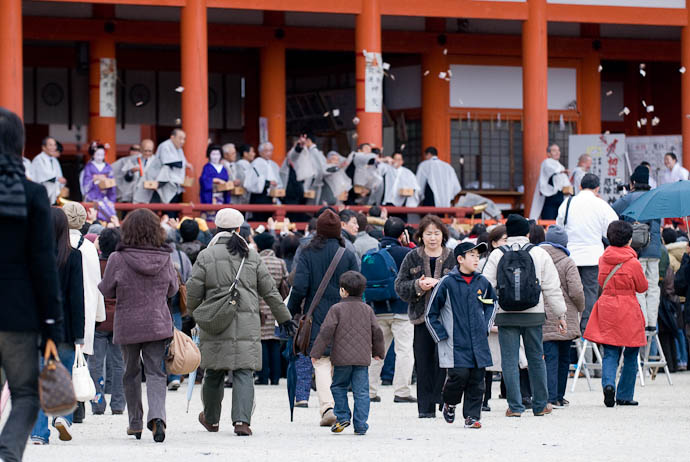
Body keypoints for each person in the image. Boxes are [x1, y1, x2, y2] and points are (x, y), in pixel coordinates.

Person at [187, 208, 294, 436]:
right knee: (244, 371)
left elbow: (193, 293)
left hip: (215, 322)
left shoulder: (206, 256)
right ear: (239, 229)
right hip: (246, 325)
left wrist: (194, 315)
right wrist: (284, 318)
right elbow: (271, 293)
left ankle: (212, 420)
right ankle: (242, 422)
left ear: (216, 229)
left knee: (214, 372)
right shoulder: (251, 256)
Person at [0, 107, 63, 460]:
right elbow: (44, 264)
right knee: (25, 393)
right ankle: (9, 453)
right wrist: (53, 324)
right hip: (18, 313)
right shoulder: (33, 193)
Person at [98, 209, 179, 443]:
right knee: (156, 372)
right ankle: (158, 419)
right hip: (157, 321)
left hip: (128, 323)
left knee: (130, 372)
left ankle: (135, 422)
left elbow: (107, 290)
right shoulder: (165, 258)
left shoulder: (117, 258)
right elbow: (173, 289)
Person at [482, 214, 567, 417]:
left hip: (506, 314)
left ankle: (515, 406)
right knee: (536, 358)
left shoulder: (497, 254)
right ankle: (540, 405)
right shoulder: (539, 253)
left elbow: (486, 285)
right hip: (533, 313)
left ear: (508, 233)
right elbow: (552, 287)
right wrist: (560, 314)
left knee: (509, 361)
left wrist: (485, 313)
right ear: (527, 233)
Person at [287, 209, 360, 427]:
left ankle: (327, 406)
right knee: (341, 360)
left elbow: (299, 287)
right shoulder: (346, 253)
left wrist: (290, 311)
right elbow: (357, 284)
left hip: (316, 313)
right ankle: (341, 407)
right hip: (345, 311)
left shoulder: (307, 252)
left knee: (320, 361)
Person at [29, 207, 85, 445]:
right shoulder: (73, 256)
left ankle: (39, 432)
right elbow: (77, 298)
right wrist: (80, 335)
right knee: (65, 377)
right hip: (65, 327)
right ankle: (63, 417)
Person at [426, 242, 496, 428]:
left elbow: (492, 303)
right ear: (460, 259)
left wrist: (486, 326)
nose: (476, 259)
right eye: (471, 255)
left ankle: (472, 417)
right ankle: (449, 403)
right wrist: (440, 335)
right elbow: (430, 313)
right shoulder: (447, 283)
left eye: (477, 255)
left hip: (478, 341)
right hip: (455, 342)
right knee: (459, 376)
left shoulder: (482, 282)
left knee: (477, 380)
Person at [395, 214, 456, 418]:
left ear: (443, 235)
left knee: (444, 362)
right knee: (423, 363)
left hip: (446, 319)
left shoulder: (452, 256)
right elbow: (399, 286)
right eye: (428, 233)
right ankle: (425, 408)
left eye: (436, 233)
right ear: (421, 235)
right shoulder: (412, 256)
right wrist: (418, 286)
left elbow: (463, 283)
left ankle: (442, 400)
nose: (432, 238)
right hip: (421, 318)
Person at [310, 271, 385, 435]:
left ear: (343, 290)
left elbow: (325, 332)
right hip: (362, 358)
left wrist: (316, 352)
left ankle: (343, 415)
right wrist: (378, 352)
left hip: (341, 359)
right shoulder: (367, 310)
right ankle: (361, 424)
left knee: (338, 386)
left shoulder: (336, 309)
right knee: (362, 391)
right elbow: (377, 332)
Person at [583, 221, 647, 407]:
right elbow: (642, 287)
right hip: (628, 306)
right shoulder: (633, 262)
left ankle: (609, 384)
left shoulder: (603, 258)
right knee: (631, 351)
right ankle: (625, 395)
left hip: (607, 305)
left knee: (610, 351)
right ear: (629, 239)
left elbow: (601, 280)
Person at [557, 173, 618, 332]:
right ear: (597, 188)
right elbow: (612, 230)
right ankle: (586, 329)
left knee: (569, 293)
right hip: (593, 256)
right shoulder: (601, 205)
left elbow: (559, 229)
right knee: (590, 292)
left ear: (580, 186)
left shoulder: (567, 203)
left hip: (570, 256)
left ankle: (570, 327)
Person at [368, 218, 416, 404]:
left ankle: (369, 390)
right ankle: (401, 391)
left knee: (377, 351)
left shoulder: (374, 254)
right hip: (402, 309)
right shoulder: (407, 253)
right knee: (404, 350)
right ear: (401, 234)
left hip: (378, 308)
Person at [539, 225, 585, 408]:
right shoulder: (568, 262)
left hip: (542, 313)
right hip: (565, 315)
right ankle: (558, 395)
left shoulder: (539, 258)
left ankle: (550, 396)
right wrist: (581, 308)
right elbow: (576, 291)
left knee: (549, 356)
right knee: (564, 357)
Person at [612, 166, 662, 330]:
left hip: (636, 251)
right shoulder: (655, 197)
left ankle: (643, 320)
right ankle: (652, 323)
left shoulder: (628, 198)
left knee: (639, 287)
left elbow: (611, 212)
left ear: (633, 182)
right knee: (653, 287)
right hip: (654, 249)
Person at [88, 228, 125, 416]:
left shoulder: (95, 262)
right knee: (120, 363)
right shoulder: (122, 263)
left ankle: (97, 402)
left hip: (99, 317)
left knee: (95, 363)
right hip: (119, 317)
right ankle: (118, 403)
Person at [254, 231, 289, 386]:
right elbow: (284, 283)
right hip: (276, 305)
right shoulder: (280, 262)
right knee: (274, 342)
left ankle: (263, 376)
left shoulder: (256, 261)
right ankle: (275, 377)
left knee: (262, 342)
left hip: (259, 305)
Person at [283, 131, 327, 205]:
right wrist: (299, 146)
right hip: (293, 188)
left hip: (303, 187)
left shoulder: (308, 154)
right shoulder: (294, 154)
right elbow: (295, 153)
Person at [530, 143, 571, 220]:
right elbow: (551, 170)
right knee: (549, 220)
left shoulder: (560, 166)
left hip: (560, 196)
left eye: (558, 150)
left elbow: (565, 182)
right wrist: (562, 171)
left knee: (559, 221)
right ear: (548, 153)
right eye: (554, 150)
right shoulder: (546, 162)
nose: (557, 152)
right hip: (549, 196)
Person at [245, 141, 283, 220]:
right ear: (260, 152)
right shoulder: (255, 164)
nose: (269, 153)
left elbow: (279, 181)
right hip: (259, 197)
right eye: (266, 151)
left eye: (270, 150)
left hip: (272, 197)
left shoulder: (274, 164)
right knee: (259, 220)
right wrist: (268, 183)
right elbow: (251, 183)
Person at [81, 142, 117, 218]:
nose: (100, 157)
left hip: (106, 197)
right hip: (93, 197)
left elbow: (112, 184)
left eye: (102, 155)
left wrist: (111, 199)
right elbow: (86, 183)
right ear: (93, 155)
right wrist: (94, 179)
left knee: (109, 217)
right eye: (98, 154)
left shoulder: (108, 167)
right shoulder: (89, 167)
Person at [154, 128, 189, 204]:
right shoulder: (165, 146)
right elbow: (169, 162)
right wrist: (184, 164)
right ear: (172, 137)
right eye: (180, 138)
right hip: (166, 182)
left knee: (175, 209)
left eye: (184, 139)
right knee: (168, 209)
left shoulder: (179, 149)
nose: (182, 141)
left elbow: (183, 163)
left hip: (176, 184)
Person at [31, 136, 66, 204]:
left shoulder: (55, 160)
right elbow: (41, 176)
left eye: (54, 145)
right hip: (41, 194)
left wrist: (60, 180)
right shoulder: (38, 159)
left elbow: (59, 175)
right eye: (50, 145)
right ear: (43, 147)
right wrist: (56, 179)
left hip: (54, 196)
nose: (53, 147)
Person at [131, 139, 160, 204]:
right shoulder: (134, 159)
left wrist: (157, 184)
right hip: (136, 193)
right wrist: (131, 171)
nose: (147, 153)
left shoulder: (158, 161)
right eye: (145, 151)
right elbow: (126, 178)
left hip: (151, 194)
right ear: (141, 150)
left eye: (150, 151)